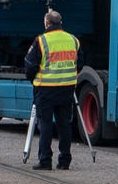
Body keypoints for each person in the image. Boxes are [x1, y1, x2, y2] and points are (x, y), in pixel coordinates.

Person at [24, 10, 81, 171]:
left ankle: (45, 160)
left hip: (45, 90)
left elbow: (30, 65)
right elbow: (80, 62)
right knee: (65, 126)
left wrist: (34, 80)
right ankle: (64, 161)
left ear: (47, 23)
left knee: (46, 125)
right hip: (66, 89)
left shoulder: (41, 41)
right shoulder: (73, 40)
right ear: (60, 23)